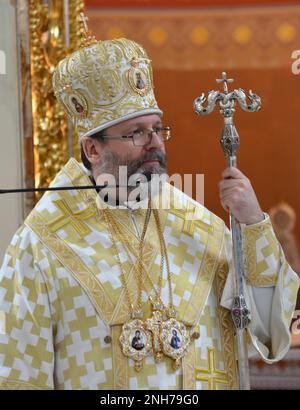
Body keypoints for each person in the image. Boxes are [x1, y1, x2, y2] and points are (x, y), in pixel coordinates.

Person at [0, 32, 299, 390]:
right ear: (93, 149)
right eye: (136, 133)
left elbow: (268, 330)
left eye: (157, 129)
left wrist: (253, 224)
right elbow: (19, 375)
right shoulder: (40, 246)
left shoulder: (199, 228)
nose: (154, 143)